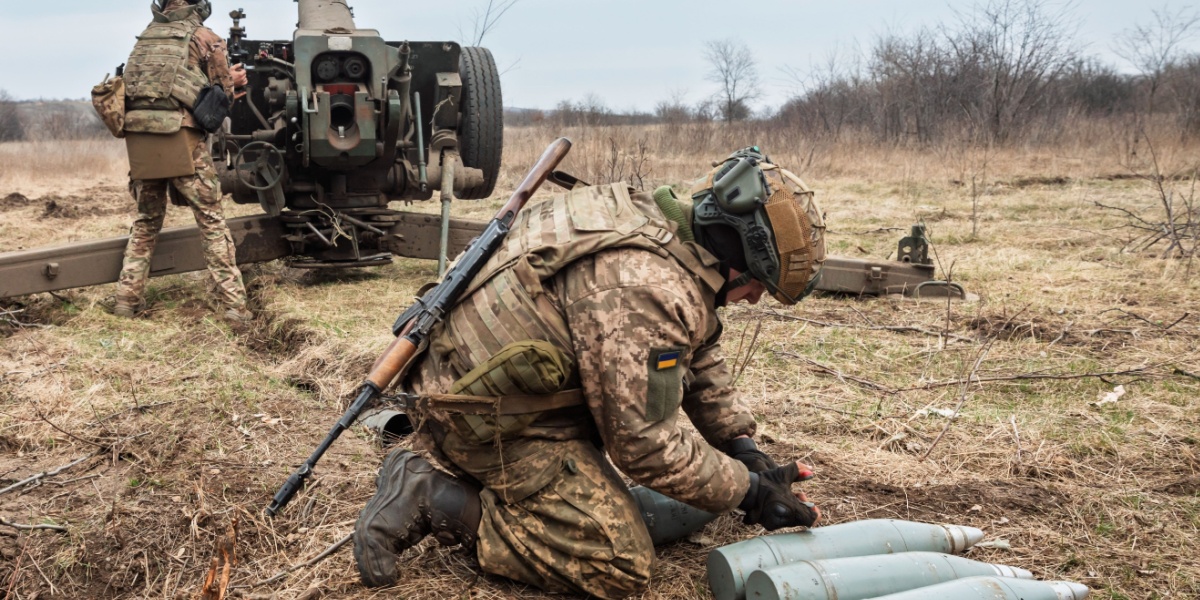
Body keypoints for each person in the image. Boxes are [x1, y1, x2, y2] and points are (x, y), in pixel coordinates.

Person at [354, 147, 827, 598]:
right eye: (757, 284)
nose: (754, 298)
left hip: (471, 382)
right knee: (619, 561)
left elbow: (695, 345)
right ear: (736, 255)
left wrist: (740, 445)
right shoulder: (646, 287)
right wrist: (748, 491)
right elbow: (643, 446)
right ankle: (436, 496)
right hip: (482, 421)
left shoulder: (649, 220)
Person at [111, 0, 251, 322]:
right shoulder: (206, 38)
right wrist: (234, 81)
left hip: (141, 140)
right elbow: (223, 97)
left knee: (146, 221)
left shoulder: (146, 37)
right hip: (181, 138)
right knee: (211, 221)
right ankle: (235, 307)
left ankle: (125, 301)